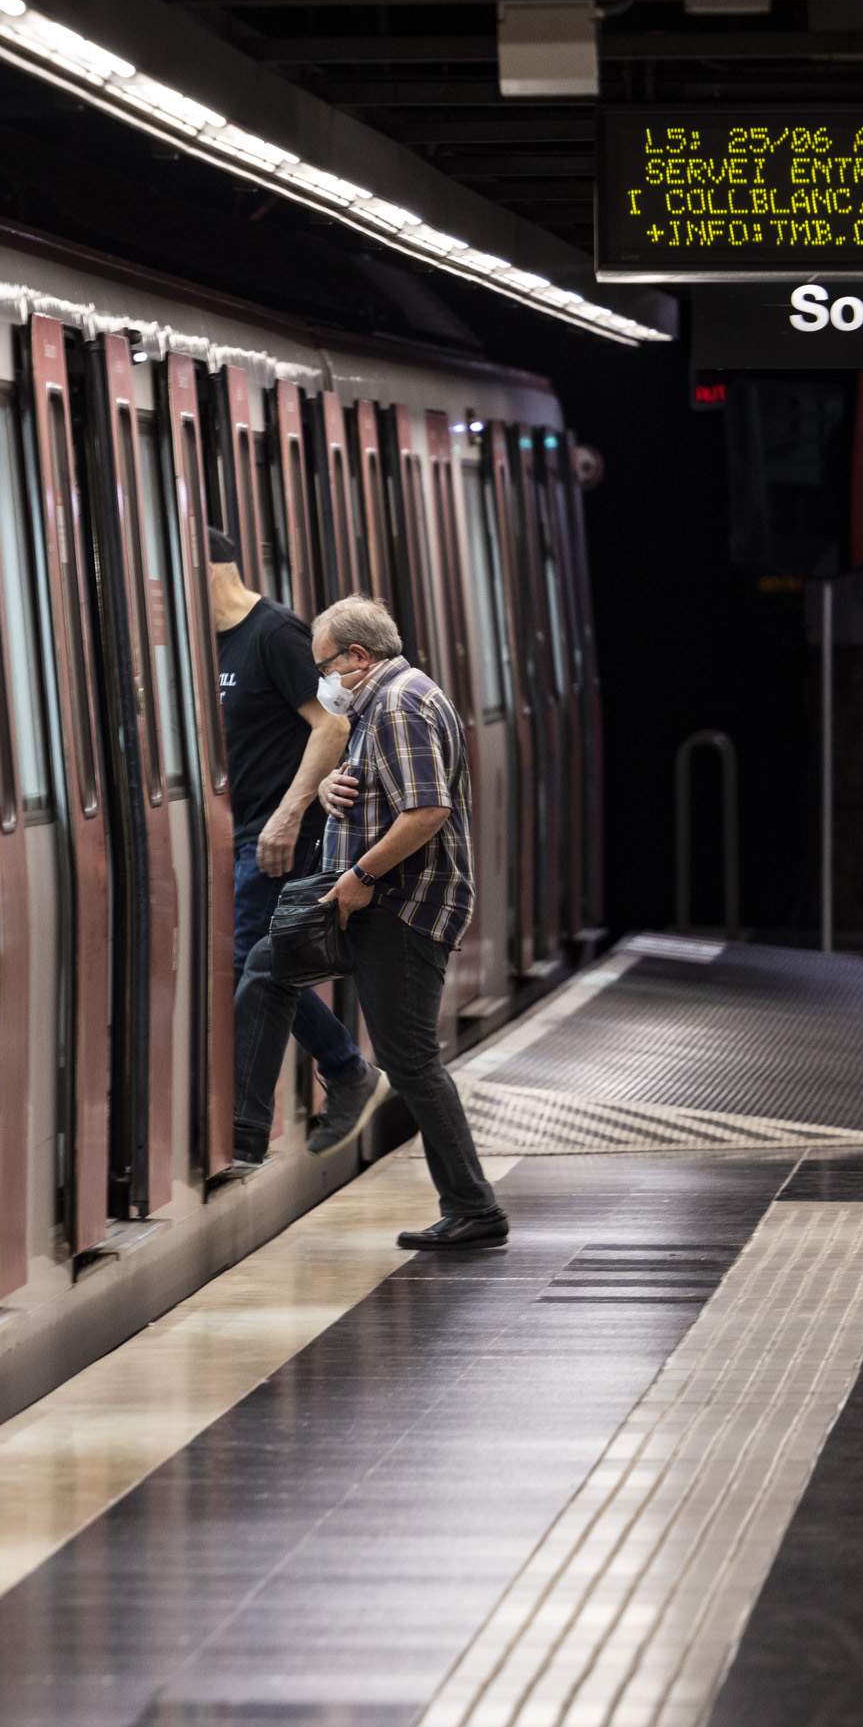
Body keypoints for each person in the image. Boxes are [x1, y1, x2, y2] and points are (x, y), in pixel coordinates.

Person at [239, 595, 505, 1249]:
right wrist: (332, 787)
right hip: (370, 907)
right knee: (266, 967)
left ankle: (474, 1207)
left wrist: (361, 876)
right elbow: (384, 788)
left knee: (411, 1061)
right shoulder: (381, 702)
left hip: (397, 908)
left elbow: (426, 810)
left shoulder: (401, 702)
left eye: (324, 665)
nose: (321, 679)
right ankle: (249, 1133)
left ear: (358, 657)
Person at [199, 530, 374, 1197]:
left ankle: (254, 1125)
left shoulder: (273, 633)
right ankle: (343, 1071)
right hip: (236, 830)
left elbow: (331, 725)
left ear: (208, 571)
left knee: (258, 960)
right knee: (260, 963)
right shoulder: (206, 643)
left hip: (274, 834)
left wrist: (290, 811)